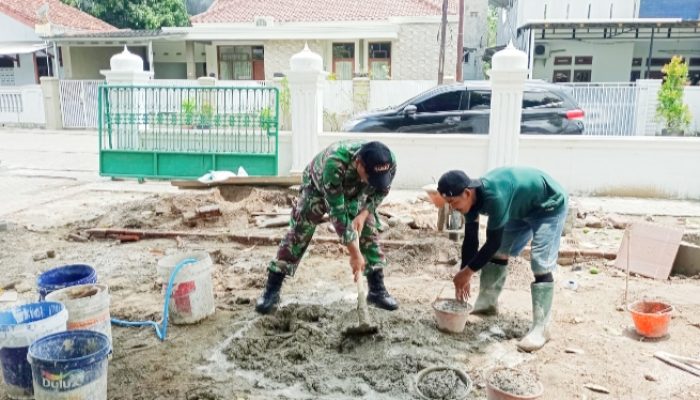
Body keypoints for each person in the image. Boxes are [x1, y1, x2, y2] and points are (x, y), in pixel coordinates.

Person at [255, 140, 399, 314]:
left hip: (358, 189)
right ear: (359, 164)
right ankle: (272, 289)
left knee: (368, 229)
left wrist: (364, 214)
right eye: (371, 178)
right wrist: (355, 254)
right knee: (300, 231)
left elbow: (381, 191)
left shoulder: (388, 162)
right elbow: (337, 215)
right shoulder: (334, 164)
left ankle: (377, 290)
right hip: (317, 186)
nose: (375, 181)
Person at [437, 166, 568, 352]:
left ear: (467, 192)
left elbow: (492, 243)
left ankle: (542, 328)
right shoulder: (470, 200)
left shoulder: (495, 197)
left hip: (549, 204)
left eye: (452, 201)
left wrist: (467, 273)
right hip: (519, 207)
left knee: (540, 262)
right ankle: (487, 304)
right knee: (500, 252)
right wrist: (464, 271)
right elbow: (471, 239)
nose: (452, 207)